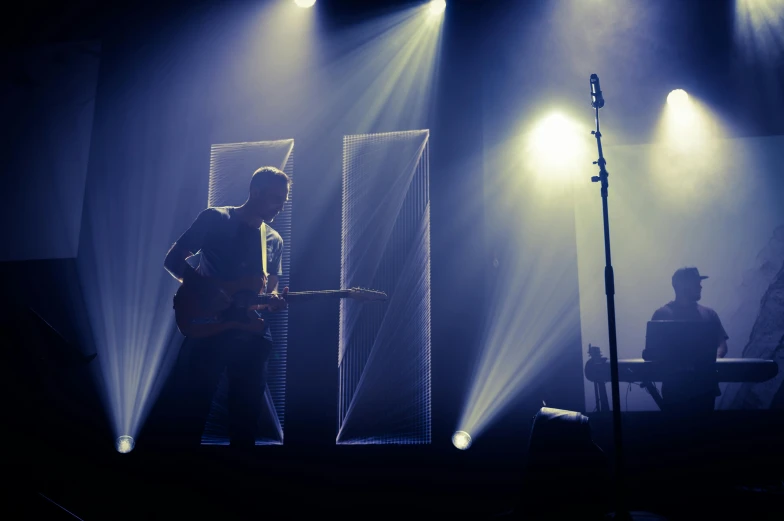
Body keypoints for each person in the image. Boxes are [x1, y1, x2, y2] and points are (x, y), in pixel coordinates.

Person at [145, 166, 290, 451]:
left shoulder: (274, 240)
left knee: (246, 421)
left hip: (249, 332)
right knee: (191, 413)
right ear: (255, 192)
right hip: (208, 327)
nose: (281, 206)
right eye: (276, 198)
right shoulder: (216, 218)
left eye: (284, 199)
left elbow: (269, 288)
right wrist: (210, 290)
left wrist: (274, 299)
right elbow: (173, 260)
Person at [650, 266, 729, 413]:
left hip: (705, 388)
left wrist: (711, 359)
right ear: (682, 285)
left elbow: (722, 345)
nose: (700, 286)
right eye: (695, 282)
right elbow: (653, 351)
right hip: (676, 390)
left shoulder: (710, 314)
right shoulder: (662, 315)